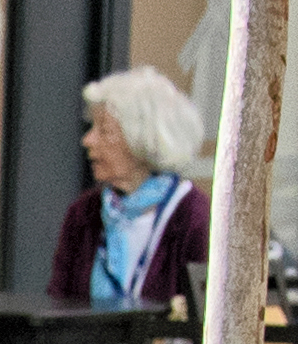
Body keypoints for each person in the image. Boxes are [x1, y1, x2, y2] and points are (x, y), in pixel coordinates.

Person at [45, 66, 210, 309]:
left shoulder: (194, 216)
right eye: (92, 128)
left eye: (105, 130)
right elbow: (57, 305)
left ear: (143, 140)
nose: (87, 140)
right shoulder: (83, 213)